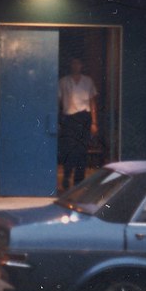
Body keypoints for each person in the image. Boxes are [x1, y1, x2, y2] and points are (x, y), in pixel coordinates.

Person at [57, 57, 98, 191]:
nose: (76, 65)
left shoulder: (88, 81)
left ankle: (79, 182)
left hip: (84, 118)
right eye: (73, 63)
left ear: (81, 65)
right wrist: (58, 120)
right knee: (69, 149)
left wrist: (94, 122)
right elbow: (58, 102)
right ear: (70, 65)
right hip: (69, 118)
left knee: (82, 150)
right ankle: (67, 177)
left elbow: (92, 102)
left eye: (78, 63)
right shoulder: (63, 81)